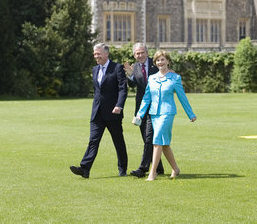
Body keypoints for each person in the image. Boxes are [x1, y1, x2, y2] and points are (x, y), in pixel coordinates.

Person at [135, 50, 197, 181]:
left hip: (167, 113)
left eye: (162, 59)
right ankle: (175, 169)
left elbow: (182, 97)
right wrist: (140, 114)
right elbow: (146, 98)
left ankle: (153, 173)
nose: (160, 62)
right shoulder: (152, 78)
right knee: (164, 145)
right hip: (153, 114)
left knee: (157, 140)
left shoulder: (175, 78)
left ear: (168, 61)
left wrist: (190, 114)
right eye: (158, 60)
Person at [70, 43, 128, 178]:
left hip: (113, 112)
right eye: (95, 54)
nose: (96, 56)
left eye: (99, 54)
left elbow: (122, 88)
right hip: (97, 113)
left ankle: (122, 169)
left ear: (106, 54)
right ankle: (84, 168)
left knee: (118, 142)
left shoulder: (117, 68)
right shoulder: (95, 69)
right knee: (93, 141)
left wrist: (119, 105)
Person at [123, 43, 164, 178]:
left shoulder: (156, 63)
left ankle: (143, 168)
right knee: (147, 138)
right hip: (141, 108)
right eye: (137, 54)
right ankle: (159, 167)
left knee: (149, 137)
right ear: (134, 55)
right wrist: (129, 74)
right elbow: (133, 84)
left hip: (157, 106)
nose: (140, 55)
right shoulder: (135, 67)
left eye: (142, 53)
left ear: (147, 52)